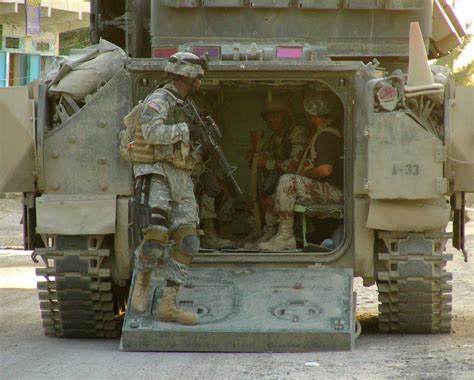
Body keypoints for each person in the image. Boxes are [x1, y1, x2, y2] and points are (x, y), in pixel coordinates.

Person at [129, 52, 207, 325]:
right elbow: (151, 133)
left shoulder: (186, 105)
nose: (200, 82)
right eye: (198, 76)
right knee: (156, 236)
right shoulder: (158, 100)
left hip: (182, 177)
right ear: (188, 76)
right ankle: (143, 282)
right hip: (157, 173)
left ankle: (168, 304)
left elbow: (186, 144)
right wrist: (186, 130)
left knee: (188, 240)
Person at [258, 90, 344, 251]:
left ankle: (285, 236)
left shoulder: (326, 135)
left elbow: (325, 170)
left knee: (287, 181)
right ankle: (272, 233)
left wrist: (303, 174)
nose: (308, 117)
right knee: (279, 188)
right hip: (329, 188)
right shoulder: (321, 133)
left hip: (337, 192)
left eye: (309, 114)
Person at [245, 96, 307, 248]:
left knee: (277, 191)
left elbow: (296, 165)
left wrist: (268, 163)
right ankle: (269, 233)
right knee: (263, 195)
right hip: (283, 183)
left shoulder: (297, 132)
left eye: (276, 115)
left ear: (286, 116)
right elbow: (266, 165)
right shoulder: (275, 139)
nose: (272, 119)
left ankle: (284, 236)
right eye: (269, 116)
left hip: (299, 183)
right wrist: (255, 157)